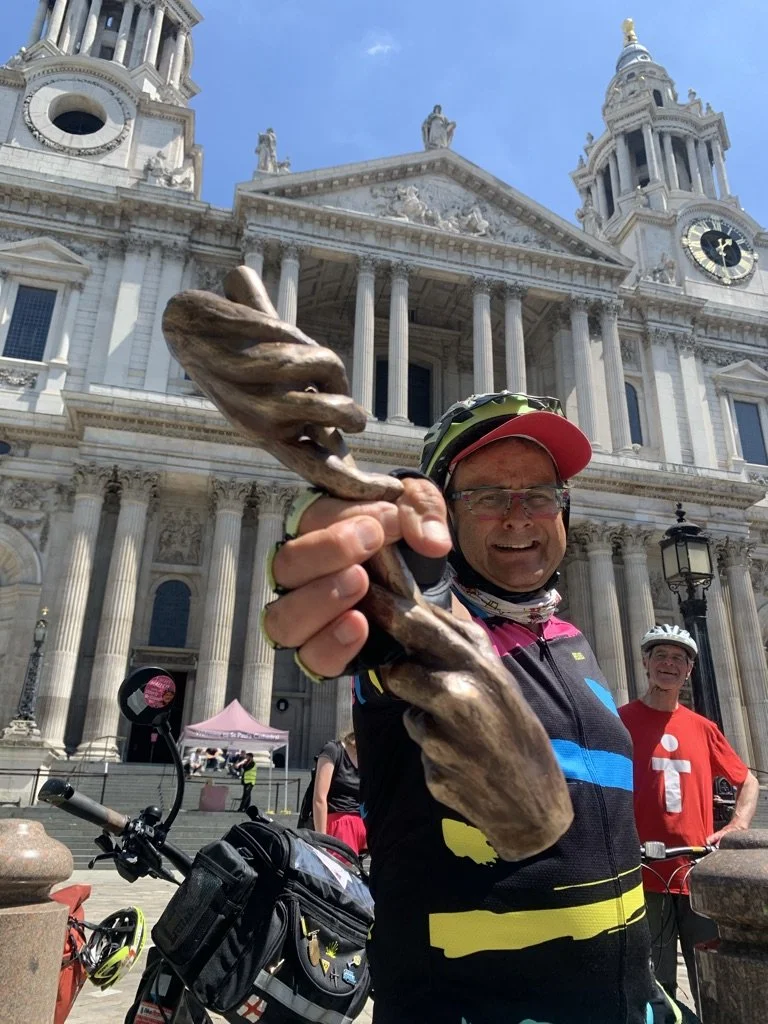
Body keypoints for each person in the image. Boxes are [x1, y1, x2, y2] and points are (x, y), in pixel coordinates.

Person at [263, 391, 677, 1024]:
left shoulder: (570, 641)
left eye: (538, 493)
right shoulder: (425, 641)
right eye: (487, 497)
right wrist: (396, 576)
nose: (518, 517)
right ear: (444, 517)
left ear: (563, 510)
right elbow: (422, 637)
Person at [619, 624, 759, 1013]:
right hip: (646, 876)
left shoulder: (703, 728)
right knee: (657, 987)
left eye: (678, 659)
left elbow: (747, 780)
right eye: (661, 656)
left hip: (694, 874)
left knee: (712, 983)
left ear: (689, 672)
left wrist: (737, 826)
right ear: (645, 662)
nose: (669, 665)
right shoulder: (620, 722)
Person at [312, 730, 365, 854]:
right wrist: (322, 841)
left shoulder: (368, 756)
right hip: (340, 823)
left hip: (363, 824)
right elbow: (319, 798)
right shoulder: (333, 750)